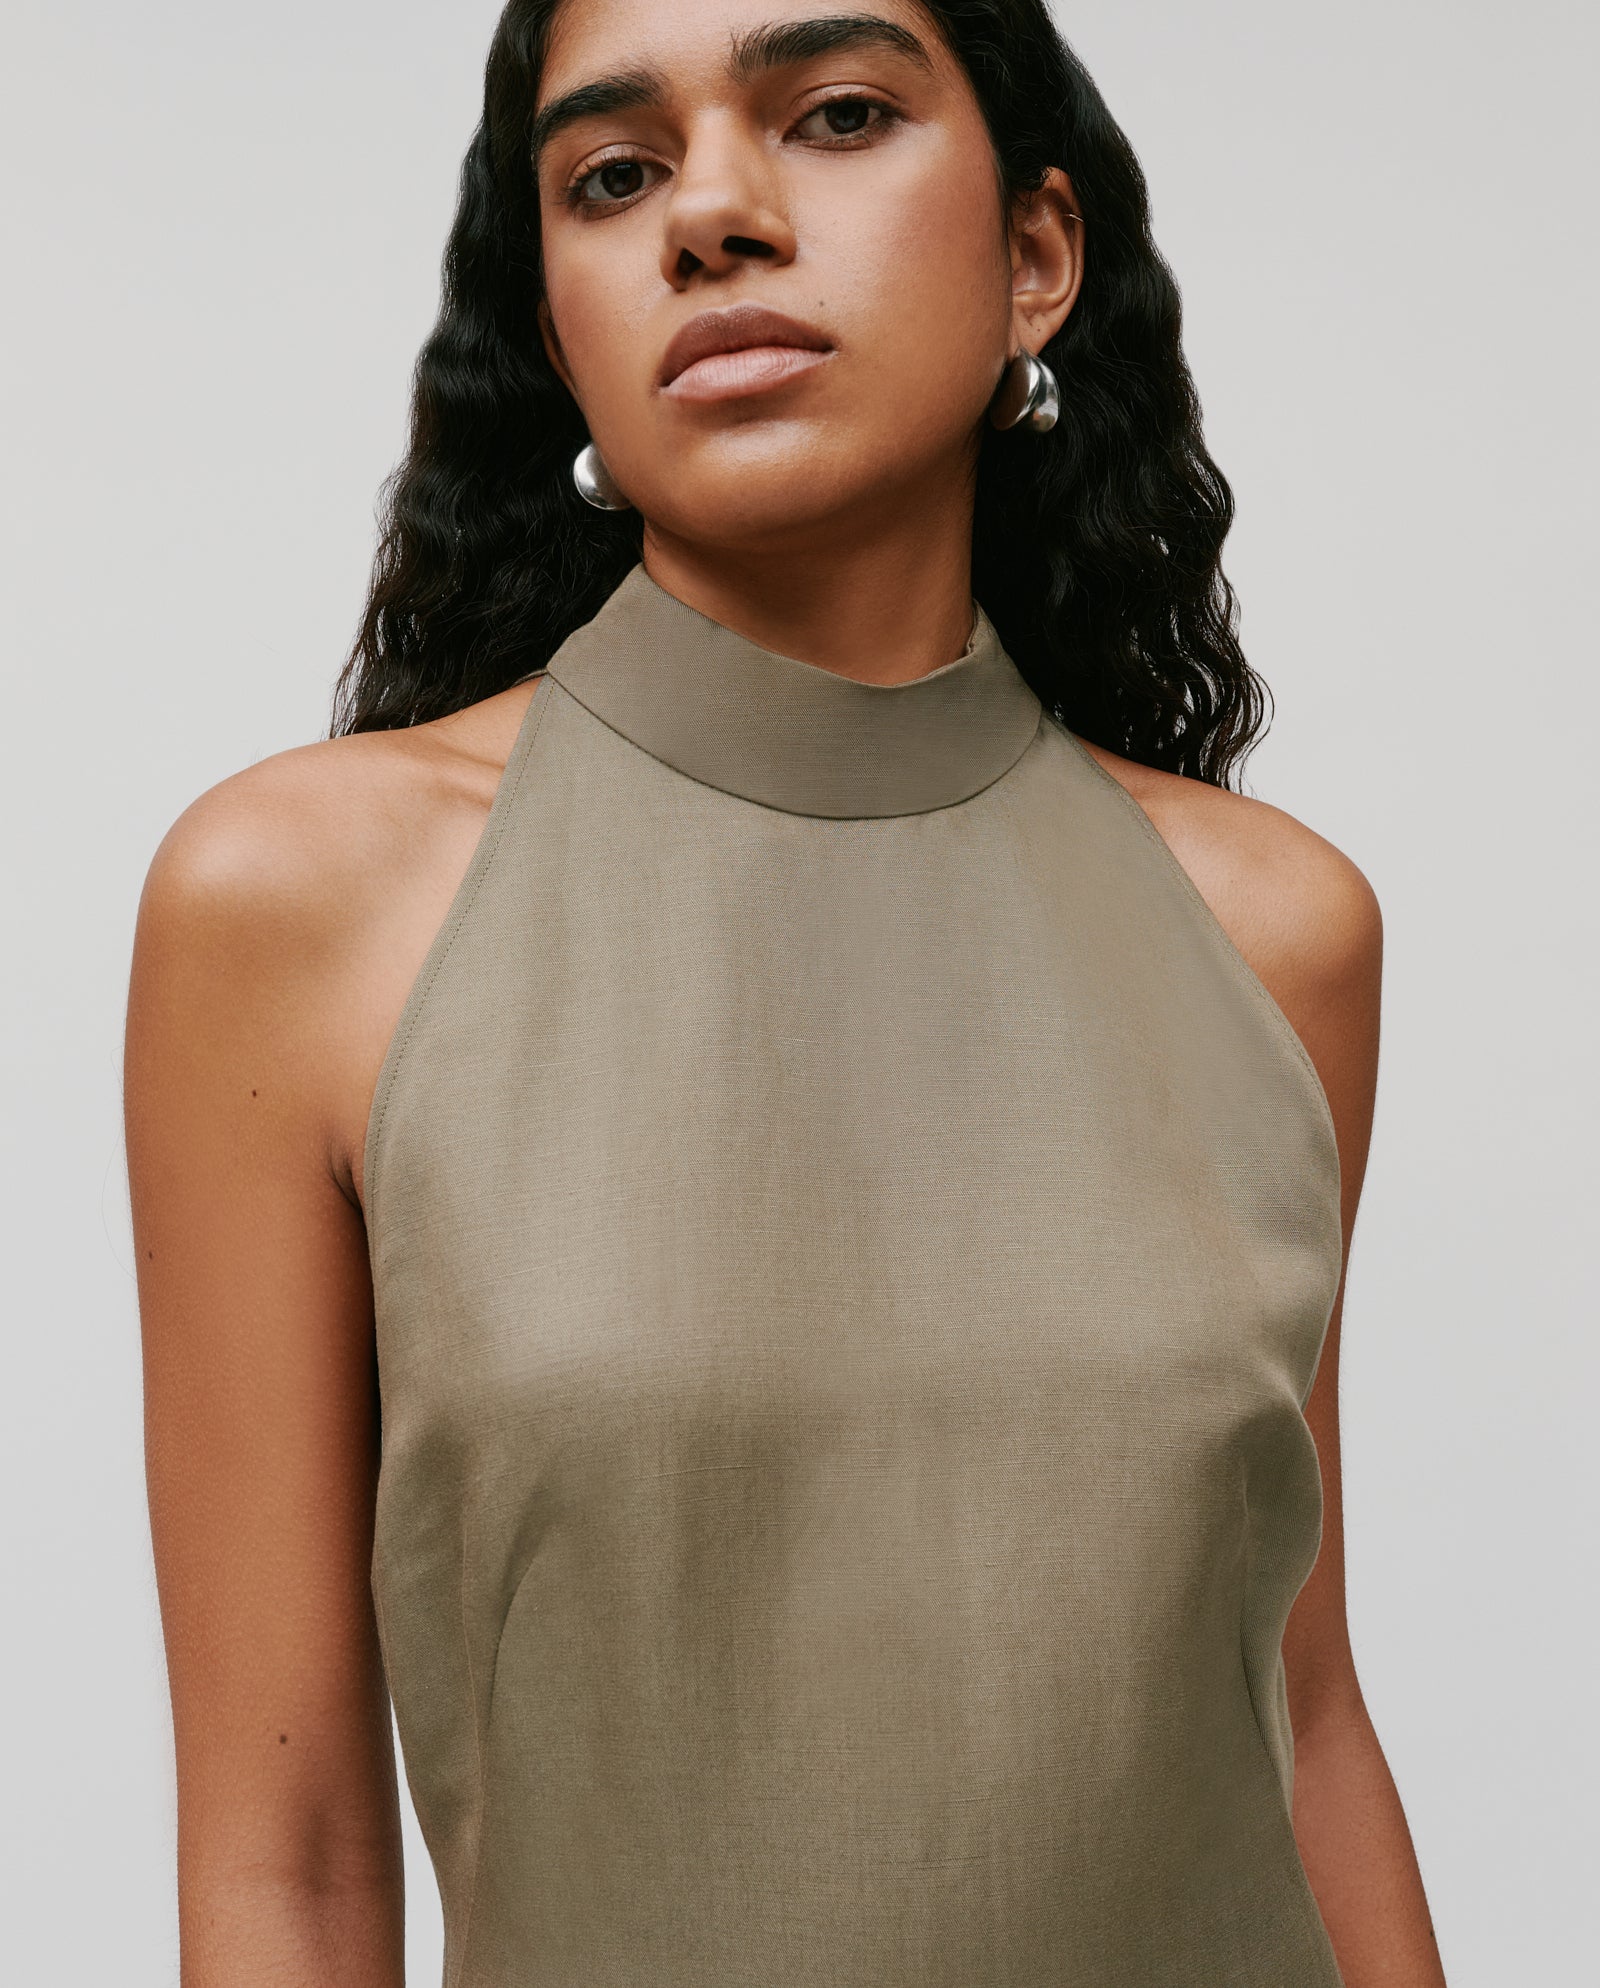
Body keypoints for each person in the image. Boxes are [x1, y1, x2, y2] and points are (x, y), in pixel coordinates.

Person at [123, 0, 1447, 1981]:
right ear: (561, 320)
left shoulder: (1274, 934)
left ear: (1033, 260)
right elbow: (286, 1853)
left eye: (832, 114)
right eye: (614, 173)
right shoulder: (300, 908)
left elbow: (1296, 1710)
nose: (712, 214)